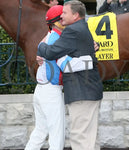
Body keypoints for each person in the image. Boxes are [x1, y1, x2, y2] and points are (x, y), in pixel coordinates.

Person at [25, 4, 95, 150]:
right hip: (51, 92)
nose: (66, 20)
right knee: (57, 138)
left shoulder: (50, 35)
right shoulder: (57, 39)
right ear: (57, 22)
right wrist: (89, 60)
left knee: (40, 132)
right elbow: (66, 66)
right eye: (62, 17)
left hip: (41, 91)